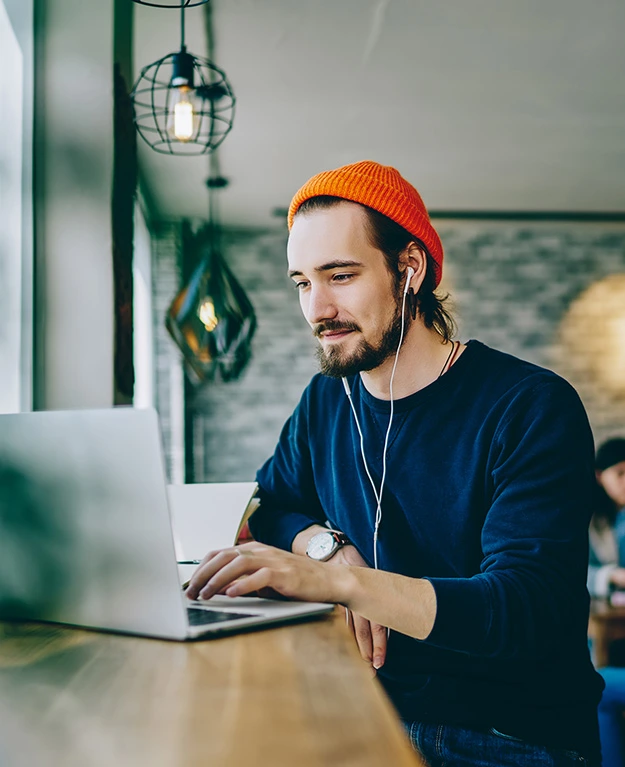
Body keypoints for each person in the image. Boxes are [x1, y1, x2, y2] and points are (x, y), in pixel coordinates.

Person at [186, 161, 603, 766]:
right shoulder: (327, 399)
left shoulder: (530, 405)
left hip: (509, 732)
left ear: (408, 270)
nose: (316, 309)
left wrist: (344, 585)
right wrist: (325, 548)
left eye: (340, 275)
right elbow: (273, 505)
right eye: (302, 281)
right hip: (362, 704)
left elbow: (526, 607)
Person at [588, 438, 625, 767]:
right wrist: (611, 576)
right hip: (607, 625)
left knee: (598, 689)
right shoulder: (592, 518)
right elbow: (570, 572)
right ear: (601, 476)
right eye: (621, 474)